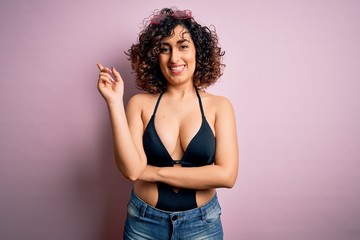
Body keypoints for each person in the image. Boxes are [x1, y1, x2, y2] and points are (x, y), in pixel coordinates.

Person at [97, 7, 238, 240]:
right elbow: (132, 170)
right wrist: (113, 102)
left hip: (202, 224)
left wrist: (155, 172)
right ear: (155, 56)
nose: (174, 58)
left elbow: (226, 176)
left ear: (198, 52)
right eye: (165, 49)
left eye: (183, 46)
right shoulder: (139, 104)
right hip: (144, 222)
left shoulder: (219, 107)